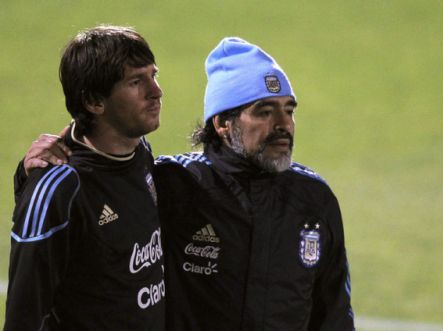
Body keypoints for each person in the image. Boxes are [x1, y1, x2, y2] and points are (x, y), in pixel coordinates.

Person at [17, 37, 355, 330]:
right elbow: (102, 175)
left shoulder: (314, 199)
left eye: (289, 110)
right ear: (223, 123)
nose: (284, 125)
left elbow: (335, 313)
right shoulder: (174, 184)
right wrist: (40, 170)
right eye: (265, 112)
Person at [4, 25, 166, 331]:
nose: (156, 92)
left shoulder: (139, 152)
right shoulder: (60, 189)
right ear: (94, 101)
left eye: (153, 75)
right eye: (136, 81)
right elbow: (23, 318)